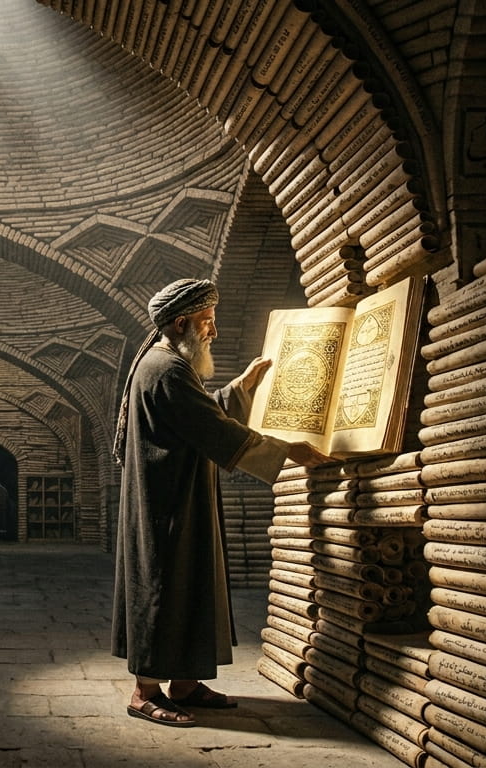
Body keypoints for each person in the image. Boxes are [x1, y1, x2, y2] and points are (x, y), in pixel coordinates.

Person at [111, 278, 334, 727]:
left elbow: (201, 413)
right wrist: (287, 449)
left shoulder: (167, 363)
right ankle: (144, 691)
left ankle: (186, 683)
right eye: (207, 322)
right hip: (166, 507)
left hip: (179, 498)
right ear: (181, 322)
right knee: (163, 589)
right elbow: (213, 429)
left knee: (189, 586)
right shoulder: (167, 369)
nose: (214, 330)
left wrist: (242, 387)